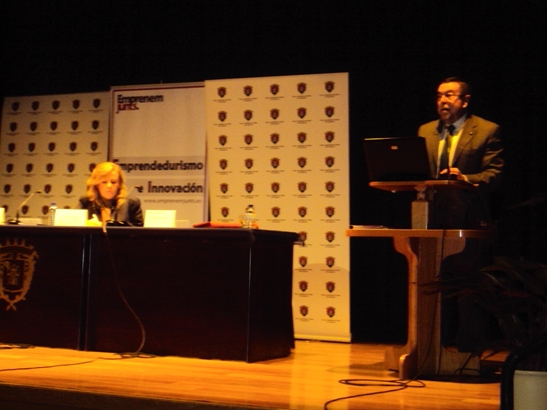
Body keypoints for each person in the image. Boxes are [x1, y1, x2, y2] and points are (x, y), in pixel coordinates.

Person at [418, 77, 504, 229]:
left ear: (465, 101)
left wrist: (464, 179)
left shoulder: (486, 130)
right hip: (429, 215)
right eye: (439, 96)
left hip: (468, 217)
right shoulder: (425, 130)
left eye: (448, 95)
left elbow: (494, 175)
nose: (442, 100)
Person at [77, 161, 143, 227]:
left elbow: (139, 230)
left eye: (113, 182)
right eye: (104, 182)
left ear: (119, 184)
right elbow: (74, 224)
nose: (109, 186)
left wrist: (121, 226)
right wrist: (86, 225)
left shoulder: (132, 203)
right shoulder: (86, 202)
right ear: (96, 185)